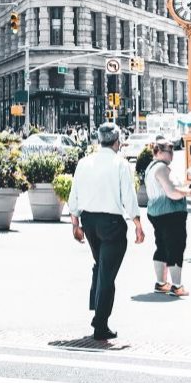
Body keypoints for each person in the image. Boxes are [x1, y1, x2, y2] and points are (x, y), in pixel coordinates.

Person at [67, 123, 145, 341]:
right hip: (111, 224)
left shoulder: (84, 162)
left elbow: (74, 195)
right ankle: (100, 324)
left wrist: (75, 224)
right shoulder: (119, 163)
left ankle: (96, 307)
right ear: (117, 141)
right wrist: (137, 223)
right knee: (107, 274)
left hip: (89, 221)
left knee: (101, 266)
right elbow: (128, 197)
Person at [144, 139, 191, 297]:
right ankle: (176, 286)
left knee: (162, 246)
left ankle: (161, 283)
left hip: (156, 212)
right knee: (176, 247)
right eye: (169, 151)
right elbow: (171, 192)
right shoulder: (162, 168)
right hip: (170, 212)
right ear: (158, 152)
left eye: (173, 151)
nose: (172, 154)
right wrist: (187, 192)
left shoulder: (151, 168)